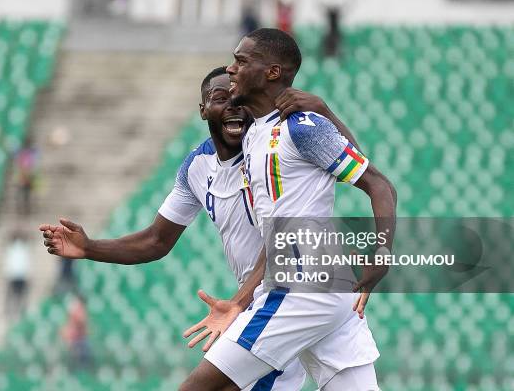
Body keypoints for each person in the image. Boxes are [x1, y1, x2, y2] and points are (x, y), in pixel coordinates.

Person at [39, 66, 364, 389]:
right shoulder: (198, 165)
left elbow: (346, 175)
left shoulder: (278, 148)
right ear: (203, 109)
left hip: (285, 292)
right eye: (221, 98)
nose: (233, 106)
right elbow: (156, 240)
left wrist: (240, 301)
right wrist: (89, 247)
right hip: (290, 295)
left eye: (239, 98)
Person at [180, 28, 397, 391]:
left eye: (241, 61)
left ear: (272, 72)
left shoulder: (300, 127)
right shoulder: (253, 131)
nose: (231, 69)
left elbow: (377, 182)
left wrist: (383, 250)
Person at [4, 230, 31, 319]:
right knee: (13, 295)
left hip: (19, 274)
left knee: (19, 295)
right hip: (15, 274)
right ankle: (11, 312)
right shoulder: (13, 248)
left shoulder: (23, 248)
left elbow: (26, 262)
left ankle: (18, 312)